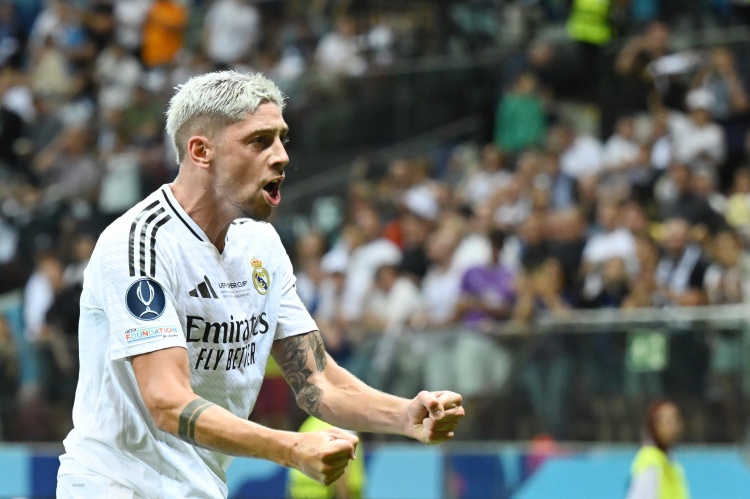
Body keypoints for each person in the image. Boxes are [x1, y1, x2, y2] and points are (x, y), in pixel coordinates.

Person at [56, 71, 465, 498]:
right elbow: (167, 402)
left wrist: (404, 415)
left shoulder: (261, 244)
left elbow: (318, 382)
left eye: (282, 139)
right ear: (201, 151)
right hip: (116, 485)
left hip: (199, 488)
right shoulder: (141, 243)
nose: (282, 156)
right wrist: (291, 448)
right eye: (259, 141)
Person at [626, 400, 690, 499]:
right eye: (668, 422)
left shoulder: (672, 464)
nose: (673, 427)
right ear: (654, 426)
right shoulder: (650, 461)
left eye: (676, 420)